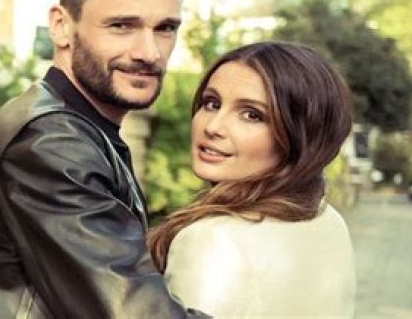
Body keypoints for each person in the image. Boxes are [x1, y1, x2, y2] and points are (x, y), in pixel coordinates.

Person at [0, 0, 207, 318]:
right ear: (61, 26)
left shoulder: (76, 127)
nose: (149, 52)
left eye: (165, 28)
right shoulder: (53, 142)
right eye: (122, 26)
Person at [148, 41, 356, 318]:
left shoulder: (213, 240)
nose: (213, 127)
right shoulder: (329, 221)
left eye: (251, 115)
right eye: (211, 103)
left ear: (298, 137)